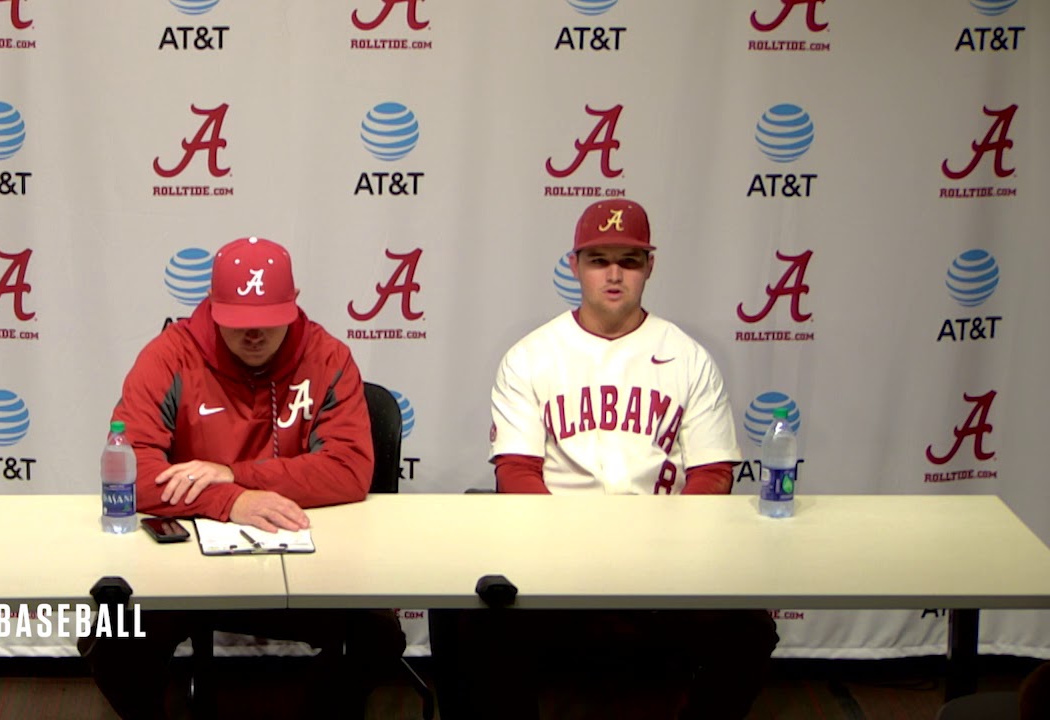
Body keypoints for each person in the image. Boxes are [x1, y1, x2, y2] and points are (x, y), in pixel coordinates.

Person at [443, 200, 778, 719]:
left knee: (750, 628)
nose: (615, 273)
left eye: (630, 259)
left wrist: (672, 551)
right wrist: (566, 550)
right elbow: (516, 471)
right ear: (575, 265)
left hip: (666, 556)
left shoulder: (688, 357)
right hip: (552, 556)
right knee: (476, 622)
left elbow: (713, 474)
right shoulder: (532, 355)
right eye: (599, 259)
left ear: (650, 265)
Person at [80, 236, 406, 719]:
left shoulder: (328, 357)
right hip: (188, 564)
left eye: (268, 322)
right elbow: (131, 470)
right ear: (212, 308)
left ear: (293, 307)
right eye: (237, 323)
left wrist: (234, 473)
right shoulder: (170, 356)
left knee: (380, 638)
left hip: (308, 553)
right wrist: (230, 500)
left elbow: (350, 470)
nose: (253, 336)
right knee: (114, 636)